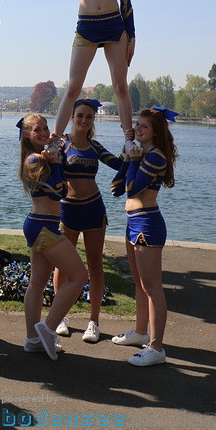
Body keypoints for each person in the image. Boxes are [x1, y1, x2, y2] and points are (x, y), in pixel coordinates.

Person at [1, 0, 136, 149]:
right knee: (73, 87)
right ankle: (55, 140)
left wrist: (132, 36)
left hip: (115, 28)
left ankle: (128, 140)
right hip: (86, 28)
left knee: (120, 86)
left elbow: (127, 3)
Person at [109, 107, 177, 367]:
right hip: (133, 222)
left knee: (152, 287)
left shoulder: (156, 157)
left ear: (156, 133)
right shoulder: (142, 153)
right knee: (139, 282)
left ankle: (156, 347)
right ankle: (140, 332)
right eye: (137, 124)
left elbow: (132, 188)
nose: (137, 129)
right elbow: (117, 189)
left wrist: (134, 161)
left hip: (148, 223)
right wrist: (127, 158)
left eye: (144, 127)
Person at [17, 114, 88, 361]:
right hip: (42, 227)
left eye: (45, 128)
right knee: (79, 276)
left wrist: (57, 155)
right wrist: (56, 161)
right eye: (37, 129)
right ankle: (47, 328)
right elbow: (58, 192)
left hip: (43, 225)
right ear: (27, 134)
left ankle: (32, 340)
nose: (44, 132)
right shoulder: (34, 160)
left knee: (37, 283)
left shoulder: (41, 156)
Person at [52, 99, 123, 343]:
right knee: (63, 265)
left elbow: (118, 164)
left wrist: (135, 155)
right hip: (67, 211)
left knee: (95, 265)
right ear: (72, 116)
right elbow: (48, 169)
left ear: (94, 120)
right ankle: (60, 317)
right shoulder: (61, 145)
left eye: (89, 117)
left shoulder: (95, 146)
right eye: (80, 115)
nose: (84, 120)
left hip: (94, 209)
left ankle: (94, 321)